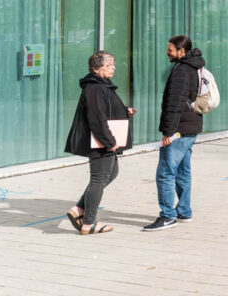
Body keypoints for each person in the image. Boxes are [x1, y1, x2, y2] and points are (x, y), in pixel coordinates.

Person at [63, 51, 136, 235]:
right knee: (99, 178)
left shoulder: (102, 86)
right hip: (101, 141)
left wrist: (123, 110)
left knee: (111, 173)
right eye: (108, 65)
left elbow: (106, 109)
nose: (113, 68)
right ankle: (88, 222)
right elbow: (96, 117)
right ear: (96, 69)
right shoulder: (94, 88)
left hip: (106, 139)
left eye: (113, 64)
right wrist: (108, 141)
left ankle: (79, 208)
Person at [143, 35, 205, 231]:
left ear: (182, 52)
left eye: (170, 50)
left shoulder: (181, 71)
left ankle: (168, 215)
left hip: (179, 130)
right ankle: (184, 211)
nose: (167, 53)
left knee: (165, 173)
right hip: (190, 127)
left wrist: (168, 132)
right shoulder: (193, 67)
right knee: (182, 171)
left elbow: (175, 104)